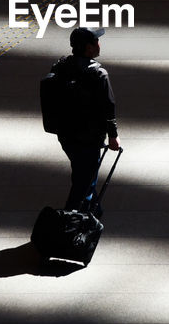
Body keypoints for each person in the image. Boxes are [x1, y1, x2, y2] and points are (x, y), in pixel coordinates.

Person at [49, 26, 119, 211]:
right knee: (84, 184)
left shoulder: (60, 66)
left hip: (66, 135)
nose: (99, 44)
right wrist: (113, 136)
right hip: (89, 138)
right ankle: (70, 221)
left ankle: (95, 212)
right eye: (96, 41)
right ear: (88, 47)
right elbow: (108, 107)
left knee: (82, 174)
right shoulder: (98, 74)